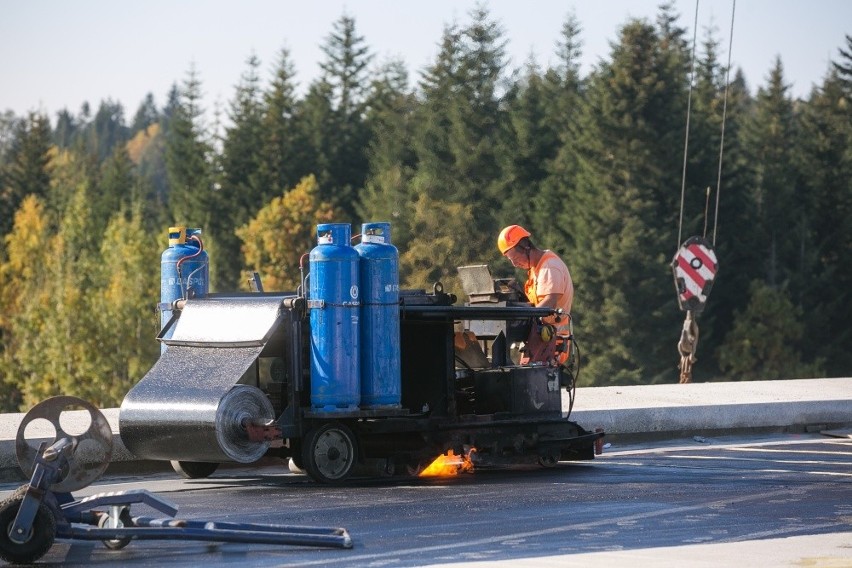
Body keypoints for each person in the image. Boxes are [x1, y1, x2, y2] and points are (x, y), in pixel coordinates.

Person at [497, 224, 574, 363]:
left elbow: (549, 304)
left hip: (551, 340)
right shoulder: (536, 269)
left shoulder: (549, 267)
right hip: (539, 338)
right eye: (511, 261)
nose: (515, 264)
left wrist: (521, 315)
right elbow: (536, 304)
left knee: (533, 380)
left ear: (526, 246)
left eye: (515, 258)